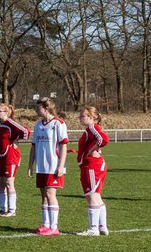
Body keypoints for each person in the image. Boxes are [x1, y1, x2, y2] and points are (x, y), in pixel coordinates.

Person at [27, 98, 69, 236]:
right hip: (41, 167)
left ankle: (54, 227)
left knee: (51, 194)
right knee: (44, 196)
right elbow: (33, 147)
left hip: (53, 166)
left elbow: (63, 145)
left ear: (46, 108)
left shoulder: (58, 124)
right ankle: (45, 225)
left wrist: (61, 166)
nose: (36, 110)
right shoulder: (38, 125)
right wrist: (30, 165)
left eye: (38, 107)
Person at [75, 106, 110, 236]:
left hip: (92, 166)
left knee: (92, 195)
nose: (80, 118)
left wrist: (90, 151)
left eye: (82, 116)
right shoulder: (90, 129)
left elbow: (104, 139)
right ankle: (102, 227)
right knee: (96, 196)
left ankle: (93, 228)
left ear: (90, 117)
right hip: (92, 166)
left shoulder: (92, 128)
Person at [0, 103, 29, 217]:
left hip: (11, 156)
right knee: (1, 183)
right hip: (1, 156)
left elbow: (26, 131)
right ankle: (3, 209)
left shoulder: (10, 123)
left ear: (6, 112)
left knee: (9, 182)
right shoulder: (1, 124)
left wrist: (16, 140)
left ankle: (12, 210)